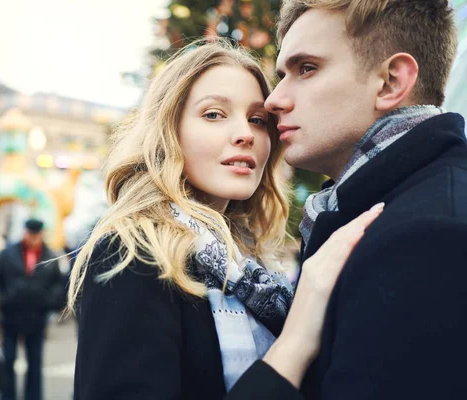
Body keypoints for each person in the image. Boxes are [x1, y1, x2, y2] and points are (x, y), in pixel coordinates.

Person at [66, 39, 383, 399]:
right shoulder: (132, 251)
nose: (245, 134)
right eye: (214, 114)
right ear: (169, 130)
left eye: (257, 120)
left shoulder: (246, 263)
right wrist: (294, 344)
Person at [227, 0, 467, 399]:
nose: (274, 100)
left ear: (392, 81)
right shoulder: (372, 210)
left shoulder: (431, 236)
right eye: (282, 74)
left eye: (306, 69)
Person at [0, 218, 65, 400]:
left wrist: (48, 300)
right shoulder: (8, 253)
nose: (33, 238)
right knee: (8, 361)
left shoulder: (49, 255)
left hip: (36, 317)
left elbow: (58, 284)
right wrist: (4, 298)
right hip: (10, 316)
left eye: (36, 234)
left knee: (35, 363)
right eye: (30, 233)